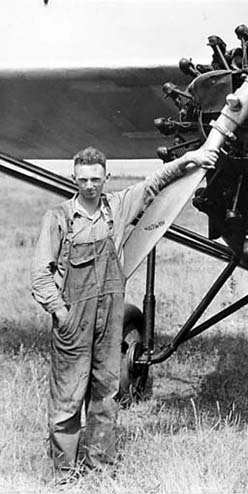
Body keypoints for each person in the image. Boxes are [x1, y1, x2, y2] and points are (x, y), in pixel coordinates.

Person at [31, 145, 218, 482]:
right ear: (74, 178)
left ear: (106, 178)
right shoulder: (57, 218)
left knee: (105, 393)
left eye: (96, 179)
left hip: (109, 319)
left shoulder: (115, 208)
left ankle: (99, 465)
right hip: (74, 320)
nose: (89, 185)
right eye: (83, 179)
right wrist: (60, 313)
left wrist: (190, 159)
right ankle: (64, 473)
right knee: (68, 398)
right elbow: (41, 275)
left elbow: (154, 182)